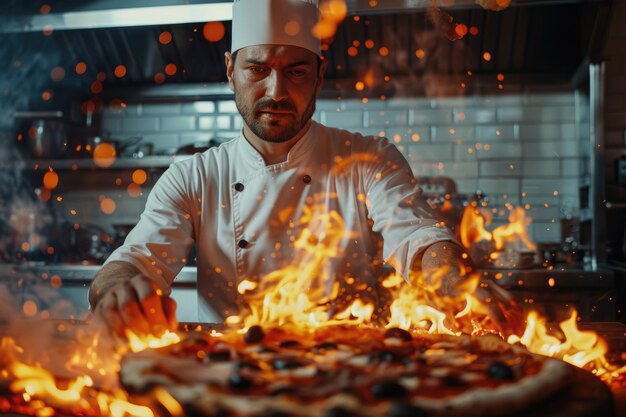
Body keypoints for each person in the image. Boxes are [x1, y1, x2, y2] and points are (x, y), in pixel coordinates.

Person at [89, 0, 520, 338]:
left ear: (318, 74)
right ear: (230, 71)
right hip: (230, 377)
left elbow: (416, 235)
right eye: (257, 69)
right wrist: (118, 291)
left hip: (355, 374)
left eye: (295, 72)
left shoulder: (369, 159)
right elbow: (134, 261)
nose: (276, 92)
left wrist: (454, 280)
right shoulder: (193, 178)